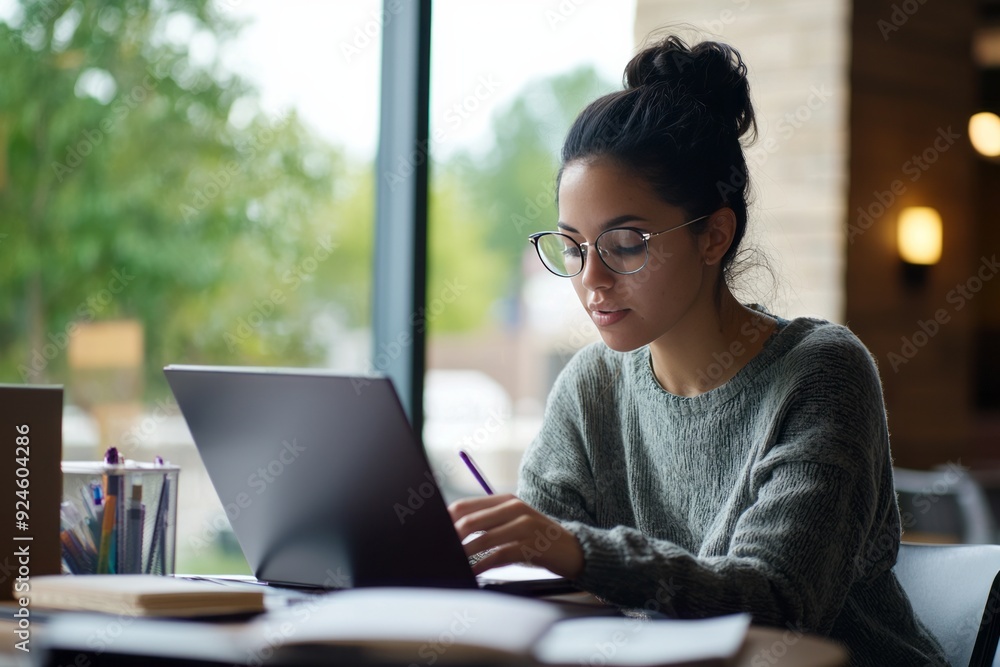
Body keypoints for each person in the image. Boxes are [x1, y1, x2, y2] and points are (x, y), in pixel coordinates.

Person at [448, 35, 947, 666]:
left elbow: (778, 606)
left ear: (714, 235)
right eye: (573, 247)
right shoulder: (591, 385)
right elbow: (543, 578)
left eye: (625, 244)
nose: (591, 280)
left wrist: (577, 553)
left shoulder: (820, 374)